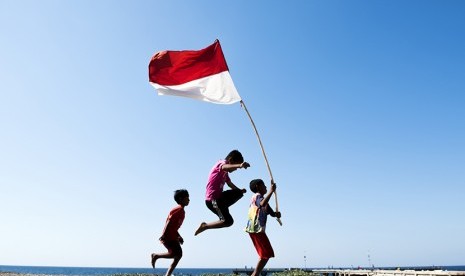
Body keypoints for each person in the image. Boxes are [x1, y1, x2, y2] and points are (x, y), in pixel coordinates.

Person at [194, 149, 250, 236]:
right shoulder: (221, 164)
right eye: (234, 167)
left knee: (239, 193)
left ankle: (224, 207)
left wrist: (239, 190)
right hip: (212, 200)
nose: (235, 169)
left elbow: (229, 184)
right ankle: (205, 226)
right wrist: (240, 165)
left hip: (219, 198)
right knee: (228, 221)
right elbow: (224, 167)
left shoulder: (225, 173)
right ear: (230, 160)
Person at [245, 179, 281, 276]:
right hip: (255, 229)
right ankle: (255, 274)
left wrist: (276, 214)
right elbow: (262, 204)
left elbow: (270, 212)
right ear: (257, 186)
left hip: (256, 229)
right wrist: (271, 191)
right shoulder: (257, 197)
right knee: (266, 253)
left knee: (266, 253)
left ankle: (256, 274)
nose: (265, 187)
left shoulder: (262, 199)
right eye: (264, 185)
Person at [151, 189, 190, 276]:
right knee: (177, 254)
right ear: (180, 199)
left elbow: (174, 227)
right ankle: (156, 256)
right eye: (187, 198)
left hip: (173, 236)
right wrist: (164, 235)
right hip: (168, 236)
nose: (189, 200)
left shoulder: (182, 211)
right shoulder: (179, 210)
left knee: (178, 255)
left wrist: (179, 236)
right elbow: (169, 222)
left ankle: (167, 274)